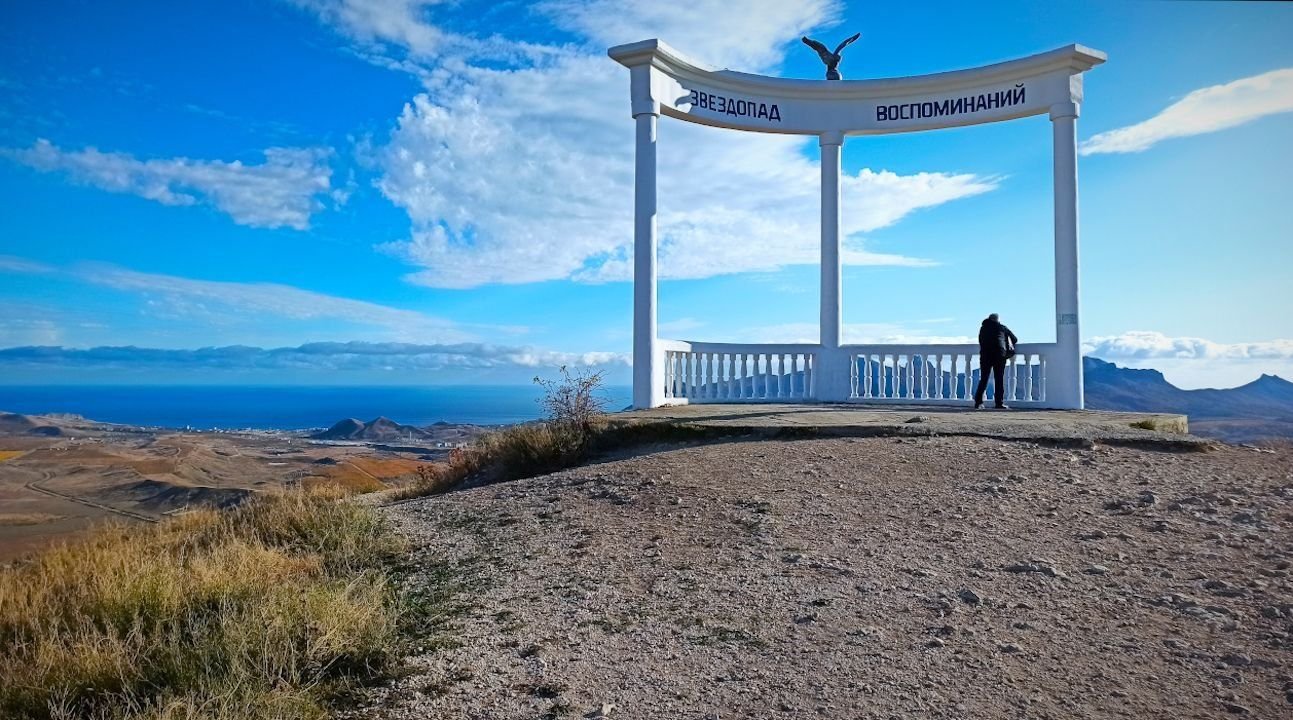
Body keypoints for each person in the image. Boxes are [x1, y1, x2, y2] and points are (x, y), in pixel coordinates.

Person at [974, 313, 1018, 409]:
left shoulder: (983, 328)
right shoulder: (1002, 328)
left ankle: (978, 402)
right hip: (999, 355)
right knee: (999, 379)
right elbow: (1015, 339)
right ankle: (999, 403)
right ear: (998, 320)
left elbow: (981, 340)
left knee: (984, 379)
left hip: (985, 356)